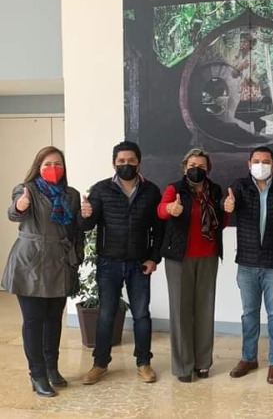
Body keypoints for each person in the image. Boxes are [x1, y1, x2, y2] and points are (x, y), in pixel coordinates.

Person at [2, 146, 84, 397]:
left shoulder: (71, 194)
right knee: (34, 320)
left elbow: (76, 230)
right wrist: (21, 205)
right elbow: (14, 213)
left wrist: (77, 257)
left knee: (53, 319)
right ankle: (37, 374)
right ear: (38, 167)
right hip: (30, 263)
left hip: (60, 261)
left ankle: (52, 368)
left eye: (58, 164)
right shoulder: (27, 189)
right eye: (47, 164)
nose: (53, 168)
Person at [81, 141, 164, 385]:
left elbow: (159, 230)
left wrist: (153, 258)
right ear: (113, 164)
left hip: (139, 264)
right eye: (121, 161)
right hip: (109, 263)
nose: (126, 165)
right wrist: (84, 215)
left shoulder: (151, 191)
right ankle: (100, 364)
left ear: (139, 163)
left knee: (141, 315)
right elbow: (87, 225)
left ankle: (143, 363)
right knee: (106, 315)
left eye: (130, 161)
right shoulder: (101, 189)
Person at [224, 146, 273, 384]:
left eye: (266, 161)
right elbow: (229, 203)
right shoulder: (240, 186)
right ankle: (248, 358)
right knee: (249, 313)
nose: (261, 165)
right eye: (256, 161)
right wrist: (227, 205)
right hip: (247, 262)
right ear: (249, 164)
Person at [157, 148, 225, 383]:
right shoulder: (174, 189)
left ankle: (203, 363)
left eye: (202, 167)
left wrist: (227, 209)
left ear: (208, 169)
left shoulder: (215, 190)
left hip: (208, 256)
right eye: (192, 166)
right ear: (184, 167)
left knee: (205, 310)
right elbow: (161, 210)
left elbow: (221, 221)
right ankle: (183, 366)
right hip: (179, 258)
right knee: (180, 311)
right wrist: (170, 209)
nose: (197, 170)